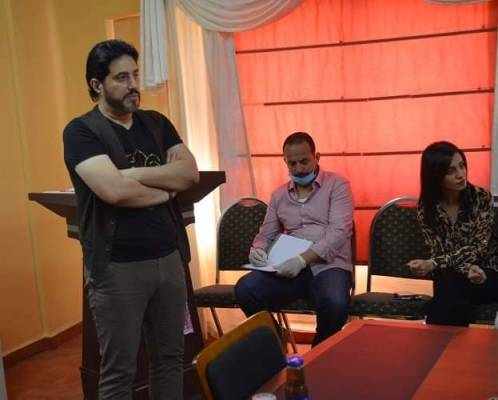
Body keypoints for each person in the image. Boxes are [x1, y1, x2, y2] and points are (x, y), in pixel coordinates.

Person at [63, 39, 199, 400]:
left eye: (135, 75)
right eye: (121, 78)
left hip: (169, 258)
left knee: (170, 359)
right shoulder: (82, 131)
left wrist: (134, 174)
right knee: (119, 371)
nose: (133, 84)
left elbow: (189, 173)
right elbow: (115, 191)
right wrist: (165, 189)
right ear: (97, 84)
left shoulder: (156, 123)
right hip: (117, 268)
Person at [235, 132, 354, 346]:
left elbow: (338, 232)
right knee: (246, 289)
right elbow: (266, 233)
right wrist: (257, 250)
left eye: (304, 161)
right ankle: (274, 340)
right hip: (288, 268)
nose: (299, 169)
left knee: (335, 303)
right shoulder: (279, 195)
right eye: (292, 164)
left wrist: (302, 260)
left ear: (317, 157)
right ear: (285, 162)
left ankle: (318, 354)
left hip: (329, 265)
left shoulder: (338, 185)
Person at [407, 141, 498, 326]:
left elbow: (477, 248)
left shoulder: (482, 198)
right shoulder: (427, 208)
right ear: (435, 176)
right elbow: (438, 251)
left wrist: (432, 263)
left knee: (448, 292)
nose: (461, 174)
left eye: (462, 166)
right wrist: (464, 268)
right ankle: (452, 341)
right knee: (451, 286)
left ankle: (437, 335)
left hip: (486, 274)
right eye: (451, 171)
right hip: (452, 277)